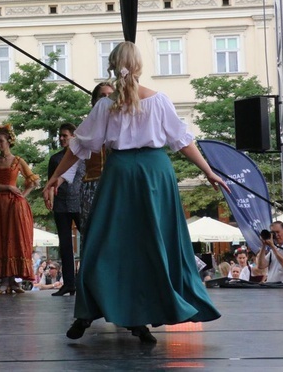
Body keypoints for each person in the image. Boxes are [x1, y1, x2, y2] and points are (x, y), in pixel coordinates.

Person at [43, 42, 226, 344]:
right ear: (139, 66)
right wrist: (208, 171)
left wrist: (55, 176)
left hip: (121, 174)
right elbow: (182, 141)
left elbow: (78, 145)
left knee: (104, 244)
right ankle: (138, 317)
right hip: (155, 173)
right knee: (153, 247)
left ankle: (90, 312)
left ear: (113, 67)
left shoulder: (105, 105)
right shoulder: (159, 101)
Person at [0, 124, 38, 294]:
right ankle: (4, 280)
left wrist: (22, 196)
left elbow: (33, 181)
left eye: (1, 141)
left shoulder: (18, 161)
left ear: (9, 142)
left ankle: (13, 281)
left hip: (13, 205)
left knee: (14, 238)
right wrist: (9, 188)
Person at [46, 122, 82, 296]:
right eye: (60, 135)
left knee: (88, 242)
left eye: (64, 135)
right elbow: (52, 183)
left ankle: (84, 281)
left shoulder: (83, 155)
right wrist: (50, 199)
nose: (61, 138)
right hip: (61, 205)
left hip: (80, 204)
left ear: (73, 137)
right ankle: (69, 283)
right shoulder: (55, 159)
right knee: (65, 245)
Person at [79, 82, 114, 234]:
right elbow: (74, 154)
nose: (106, 100)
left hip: (115, 185)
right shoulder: (87, 127)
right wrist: (58, 179)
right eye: (102, 96)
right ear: (94, 102)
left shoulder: (121, 125)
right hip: (92, 186)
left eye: (110, 96)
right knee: (93, 231)